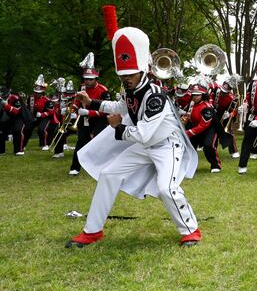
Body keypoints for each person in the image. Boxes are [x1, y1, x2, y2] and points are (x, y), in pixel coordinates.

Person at [66, 25, 201, 248]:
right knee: (109, 174)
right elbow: (121, 105)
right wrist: (93, 103)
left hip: (167, 146)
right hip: (147, 145)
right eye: (122, 75)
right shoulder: (131, 90)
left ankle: (190, 230)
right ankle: (92, 231)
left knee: (166, 188)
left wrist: (118, 128)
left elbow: (144, 134)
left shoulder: (155, 96)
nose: (125, 78)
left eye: (129, 74)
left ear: (142, 71)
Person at [68, 53, 111, 176]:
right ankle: (75, 167)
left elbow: (107, 109)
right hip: (84, 118)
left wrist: (89, 112)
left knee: (99, 141)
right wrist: (73, 110)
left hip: (100, 119)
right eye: (86, 79)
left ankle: (102, 167)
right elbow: (77, 101)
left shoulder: (103, 90)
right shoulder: (82, 88)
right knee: (81, 141)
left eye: (90, 79)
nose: (87, 81)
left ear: (96, 79)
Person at [185, 82, 222, 173]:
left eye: (198, 95)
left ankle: (215, 165)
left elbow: (203, 125)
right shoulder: (191, 104)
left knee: (208, 145)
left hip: (209, 129)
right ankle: (188, 166)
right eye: (193, 95)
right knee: (189, 146)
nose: (195, 97)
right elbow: (189, 116)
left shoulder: (207, 107)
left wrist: (189, 132)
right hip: (196, 128)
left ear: (203, 95)